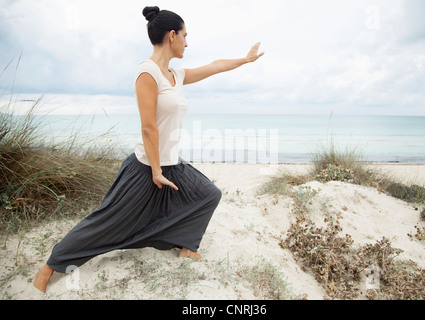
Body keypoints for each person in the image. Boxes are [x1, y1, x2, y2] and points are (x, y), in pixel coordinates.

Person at [33, 5, 264, 293]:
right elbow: (148, 127)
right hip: (145, 167)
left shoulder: (174, 75)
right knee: (106, 221)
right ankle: (47, 269)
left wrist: (244, 60)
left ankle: (185, 247)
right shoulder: (147, 73)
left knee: (208, 194)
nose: (187, 42)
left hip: (170, 163)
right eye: (185, 35)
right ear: (171, 36)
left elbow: (213, 66)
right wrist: (155, 170)